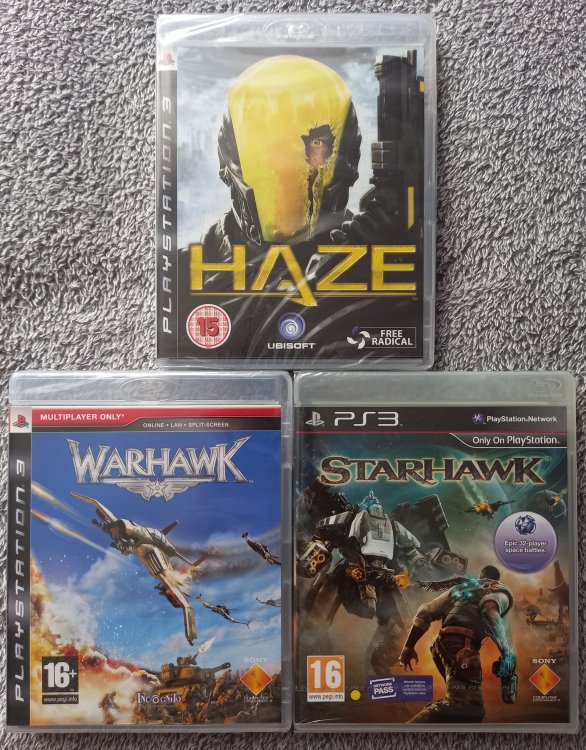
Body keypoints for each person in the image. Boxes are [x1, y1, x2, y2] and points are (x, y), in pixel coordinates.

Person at [399, 565, 515, 723]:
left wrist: (408, 646)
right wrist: (507, 651)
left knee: (463, 713)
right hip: (460, 646)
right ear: (496, 579)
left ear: (480, 576)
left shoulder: (461, 588)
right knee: (468, 708)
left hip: (442, 645)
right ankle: (408, 732)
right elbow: (489, 609)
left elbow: (426, 611)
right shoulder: (498, 588)